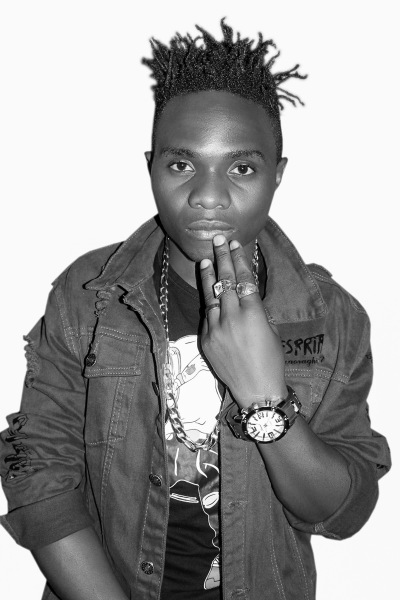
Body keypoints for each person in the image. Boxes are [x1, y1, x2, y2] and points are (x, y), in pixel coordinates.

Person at [0, 19, 391, 600]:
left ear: (278, 175)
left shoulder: (332, 319)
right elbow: (37, 468)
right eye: (182, 165)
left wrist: (264, 399)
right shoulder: (86, 297)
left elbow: (342, 511)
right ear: (151, 166)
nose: (208, 195)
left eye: (241, 168)